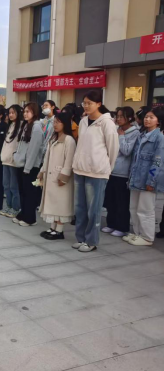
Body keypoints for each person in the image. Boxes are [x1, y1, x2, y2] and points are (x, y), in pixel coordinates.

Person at [72, 91, 119, 253]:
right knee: (80, 208)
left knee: (94, 209)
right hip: (80, 169)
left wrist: (106, 168)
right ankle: (81, 238)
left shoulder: (106, 123)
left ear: (98, 104)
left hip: (97, 173)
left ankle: (91, 241)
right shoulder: (83, 121)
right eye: (84, 103)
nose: (86, 106)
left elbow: (113, 149)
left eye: (89, 103)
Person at [124, 108, 164, 246]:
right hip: (136, 178)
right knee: (134, 208)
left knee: (145, 209)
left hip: (148, 180)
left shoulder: (159, 138)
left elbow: (158, 161)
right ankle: (137, 233)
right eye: (146, 117)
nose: (147, 119)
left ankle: (147, 237)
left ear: (158, 121)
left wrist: (151, 181)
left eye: (151, 117)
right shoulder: (142, 135)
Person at [38, 112, 77, 240]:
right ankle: (52, 228)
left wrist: (64, 176)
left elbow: (69, 160)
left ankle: (59, 230)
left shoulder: (69, 140)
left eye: (58, 122)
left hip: (60, 178)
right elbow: (46, 158)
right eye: (54, 122)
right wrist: (42, 171)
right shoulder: (53, 138)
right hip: (51, 176)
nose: (55, 124)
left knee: (61, 205)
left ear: (65, 123)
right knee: (53, 203)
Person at [102, 107, 139, 238]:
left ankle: (122, 227)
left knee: (121, 202)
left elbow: (127, 151)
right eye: (117, 116)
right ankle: (111, 223)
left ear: (130, 118)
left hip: (123, 173)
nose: (118, 119)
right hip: (111, 170)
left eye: (121, 116)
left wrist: (121, 137)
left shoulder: (135, 133)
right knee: (110, 200)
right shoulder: (116, 129)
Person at [13, 103, 44, 227]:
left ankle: (30, 218)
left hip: (30, 167)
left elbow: (33, 150)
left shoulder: (37, 128)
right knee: (22, 191)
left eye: (28, 111)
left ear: (34, 113)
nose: (25, 114)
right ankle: (24, 213)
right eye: (24, 111)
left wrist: (27, 168)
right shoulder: (26, 125)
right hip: (21, 163)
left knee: (29, 193)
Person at [1, 105, 23, 218]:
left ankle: (16, 208)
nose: (10, 115)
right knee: (6, 185)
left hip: (14, 161)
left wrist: (15, 157)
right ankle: (8, 206)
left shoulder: (21, 127)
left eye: (13, 113)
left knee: (14, 186)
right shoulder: (10, 126)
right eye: (9, 113)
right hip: (5, 159)